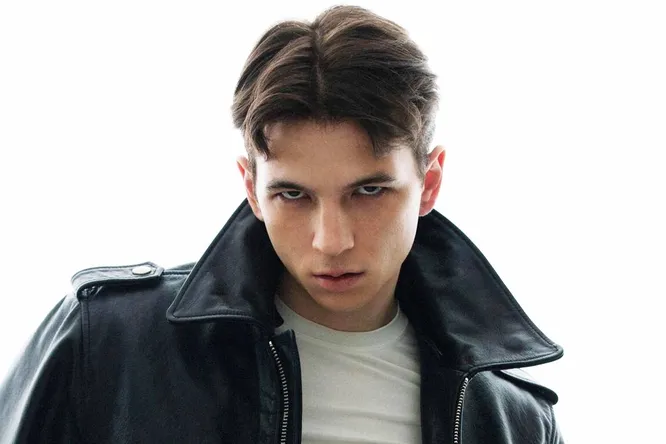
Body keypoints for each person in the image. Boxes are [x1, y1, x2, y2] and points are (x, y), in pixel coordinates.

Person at [0, 5, 564, 443]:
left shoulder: (512, 420)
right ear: (251, 188)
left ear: (430, 183)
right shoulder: (106, 340)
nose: (331, 240)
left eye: (368, 191)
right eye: (293, 195)